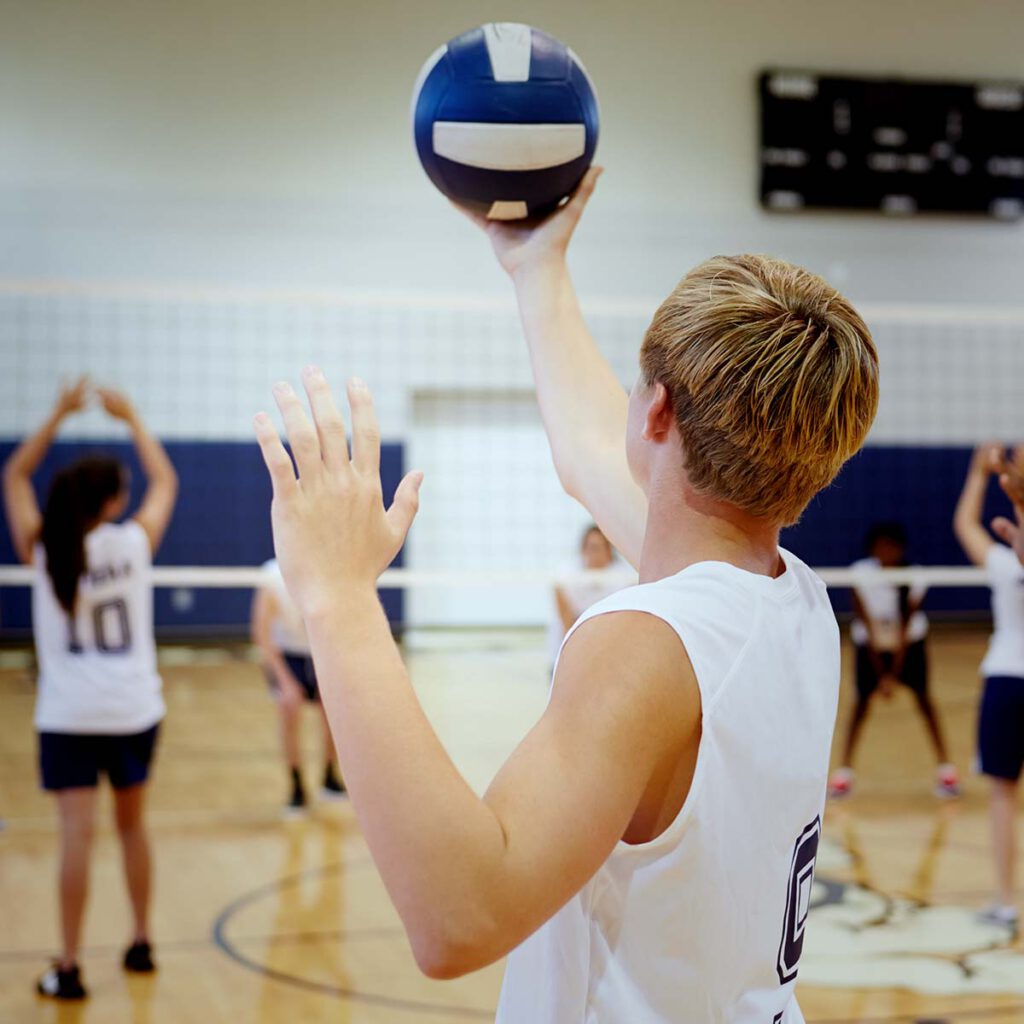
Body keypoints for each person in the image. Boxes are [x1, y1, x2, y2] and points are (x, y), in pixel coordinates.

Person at [252, 168, 878, 1022]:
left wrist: (337, 597)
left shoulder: (645, 646)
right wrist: (537, 266)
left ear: (654, 412)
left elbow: (458, 918)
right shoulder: (793, 600)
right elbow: (593, 453)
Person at [2, 378, 177, 1000]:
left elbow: (16, 476)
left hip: (70, 715)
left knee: (76, 836)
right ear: (110, 503)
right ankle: (140, 941)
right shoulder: (133, 544)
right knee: (133, 828)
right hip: (132, 709)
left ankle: (70, 965)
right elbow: (167, 481)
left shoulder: (45, 548)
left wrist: (56, 414)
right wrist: (131, 417)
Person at [828, 522, 958, 799]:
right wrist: (881, 673)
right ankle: (843, 774)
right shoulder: (859, 573)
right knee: (860, 707)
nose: (886, 552)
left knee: (925, 702)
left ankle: (946, 771)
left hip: (908, 648)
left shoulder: (914, 576)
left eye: (892, 546)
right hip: (871, 648)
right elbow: (863, 619)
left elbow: (905, 626)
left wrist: (893, 673)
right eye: (881, 546)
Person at [953, 443, 1024, 928]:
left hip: (1006, 681)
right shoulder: (1005, 558)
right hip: (1004, 678)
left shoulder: (1003, 562)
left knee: (1003, 795)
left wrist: (979, 475)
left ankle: (1005, 900)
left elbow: (964, 526)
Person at [250, 558, 346, 814]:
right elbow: (261, 633)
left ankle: (329, 775)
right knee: (289, 708)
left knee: (332, 715)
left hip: (321, 652)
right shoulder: (272, 575)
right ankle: (296, 786)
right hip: (287, 655)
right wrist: (284, 680)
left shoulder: (330, 570)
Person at [549, 524, 624, 666]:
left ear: (609, 551)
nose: (593, 554)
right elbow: (566, 620)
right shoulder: (567, 574)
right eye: (589, 548)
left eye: (597, 548)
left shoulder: (623, 577)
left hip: (606, 654)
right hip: (568, 652)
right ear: (582, 550)